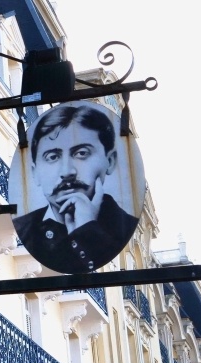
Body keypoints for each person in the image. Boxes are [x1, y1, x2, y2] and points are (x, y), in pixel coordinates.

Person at [13, 102, 139, 274]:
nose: (67, 172)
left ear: (109, 161)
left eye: (81, 153)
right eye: (52, 157)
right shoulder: (23, 228)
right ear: (35, 172)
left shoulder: (124, 226)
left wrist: (88, 230)